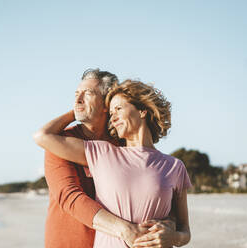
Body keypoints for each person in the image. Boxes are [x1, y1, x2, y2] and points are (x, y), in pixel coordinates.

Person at [38, 70, 183, 247]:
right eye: (76, 94)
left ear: (106, 103)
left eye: (88, 93)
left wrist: (169, 224)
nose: (78, 99)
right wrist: (77, 110)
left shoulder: (122, 144)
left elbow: (154, 189)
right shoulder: (61, 142)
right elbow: (70, 197)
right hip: (71, 242)